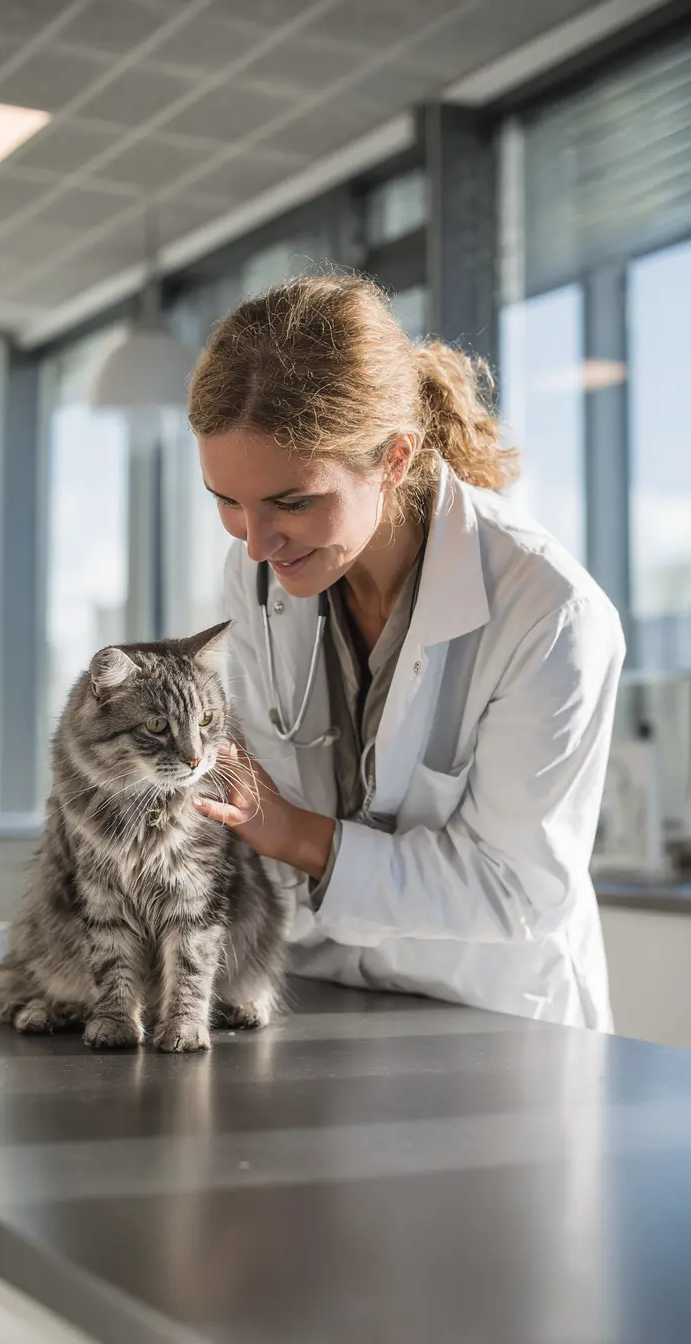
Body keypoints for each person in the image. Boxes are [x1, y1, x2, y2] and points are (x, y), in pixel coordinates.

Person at [188, 272, 625, 1029]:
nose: (256, 542)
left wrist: (296, 834)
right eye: (227, 501)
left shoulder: (547, 610)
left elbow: (518, 890)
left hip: (489, 1017)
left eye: (292, 501)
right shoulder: (260, 575)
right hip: (319, 995)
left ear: (393, 458)